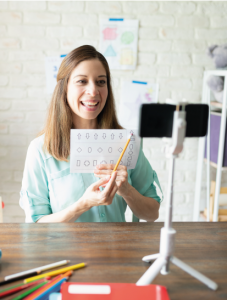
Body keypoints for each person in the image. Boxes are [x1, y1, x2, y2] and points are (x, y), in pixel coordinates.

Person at [19, 45, 162, 223]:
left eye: (101, 82)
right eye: (82, 81)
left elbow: (152, 213)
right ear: (65, 88)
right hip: (63, 251)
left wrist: (127, 190)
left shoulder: (126, 143)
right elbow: (35, 225)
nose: (93, 91)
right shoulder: (40, 150)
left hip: (117, 251)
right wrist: (82, 205)